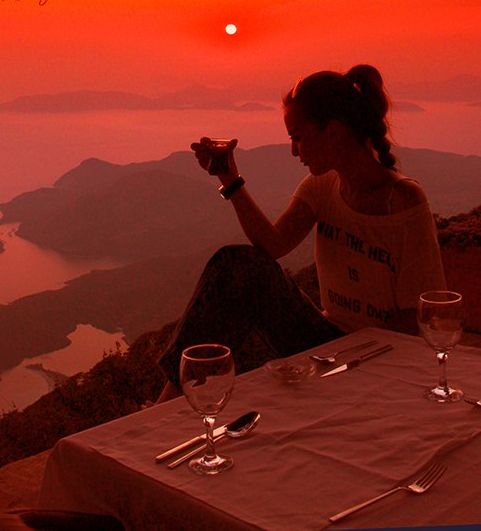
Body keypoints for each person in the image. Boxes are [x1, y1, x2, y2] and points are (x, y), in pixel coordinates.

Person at [157, 65, 446, 402]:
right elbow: (273, 245)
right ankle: (170, 400)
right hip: (326, 341)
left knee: (243, 266)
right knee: (239, 265)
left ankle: (169, 408)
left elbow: (416, 317)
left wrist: (348, 358)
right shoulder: (321, 185)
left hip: (381, 354)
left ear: (334, 131)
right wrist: (229, 179)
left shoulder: (403, 201)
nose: (294, 151)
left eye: (298, 136)